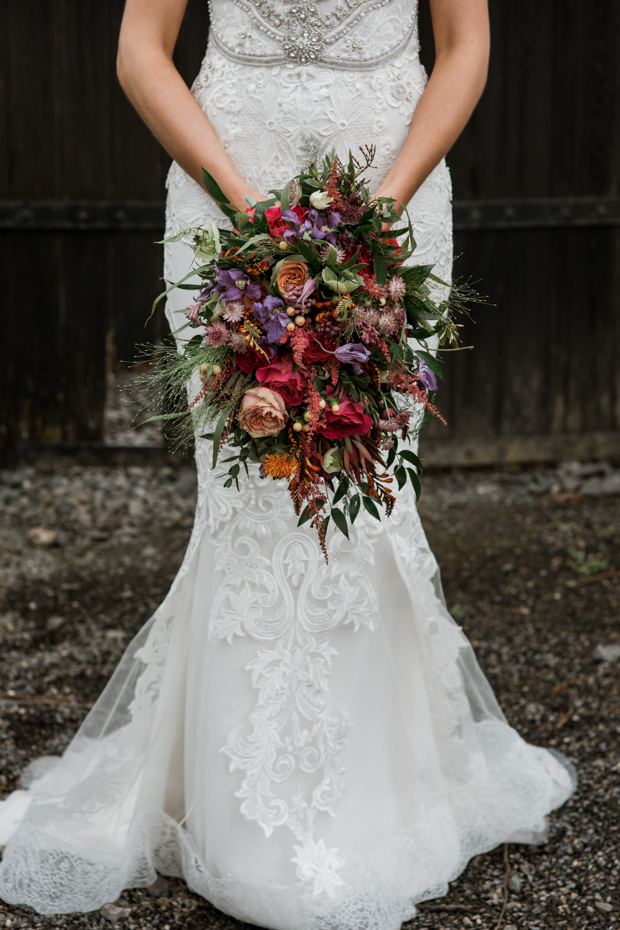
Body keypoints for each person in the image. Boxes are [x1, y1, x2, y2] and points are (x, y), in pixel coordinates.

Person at [0, 1, 575, 927]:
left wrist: (382, 212)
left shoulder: (391, 209)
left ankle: (382, 791)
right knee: (245, 493)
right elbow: (140, 51)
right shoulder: (233, 203)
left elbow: (467, 47)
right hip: (229, 198)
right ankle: (237, 804)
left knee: (368, 487)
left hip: (394, 196)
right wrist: (246, 207)